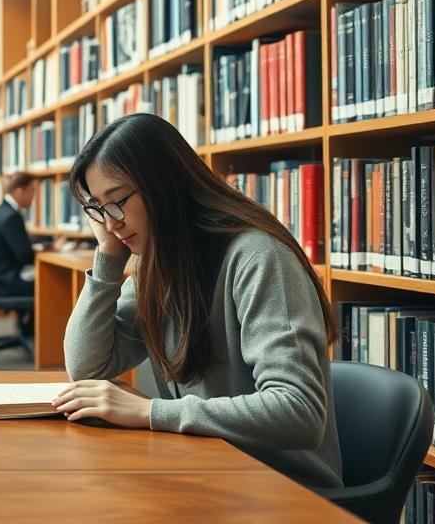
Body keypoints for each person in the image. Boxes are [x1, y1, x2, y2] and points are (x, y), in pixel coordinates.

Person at [53, 113, 342, 490]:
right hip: (208, 468)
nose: (111, 223)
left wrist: (152, 412)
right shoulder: (158, 265)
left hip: (282, 489)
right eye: (98, 209)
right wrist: (108, 258)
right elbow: (87, 366)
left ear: (165, 185)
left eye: (117, 202)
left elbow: (298, 410)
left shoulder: (258, 257)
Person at [0, 171, 37, 299]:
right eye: (31, 191)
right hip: (9, 283)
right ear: (19, 191)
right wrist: (43, 249)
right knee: (54, 282)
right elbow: (26, 257)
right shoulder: (11, 216)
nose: (33, 196)